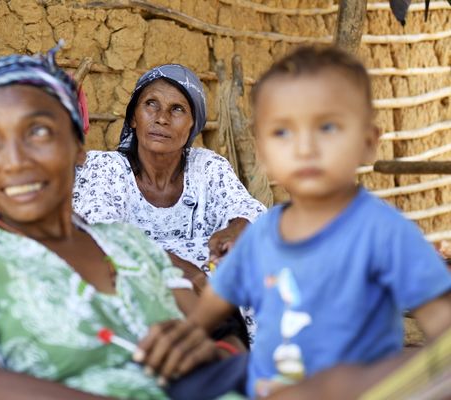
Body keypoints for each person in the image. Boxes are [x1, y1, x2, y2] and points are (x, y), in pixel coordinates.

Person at [0, 48, 241, 399]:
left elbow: (218, 336)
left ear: (78, 149)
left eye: (38, 132)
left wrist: (217, 356)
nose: (15, 160)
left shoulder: (129, 244)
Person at [135, 46, 451, 399]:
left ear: (367, 143)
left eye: (327, 127)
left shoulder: (383, 235)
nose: (304, 147)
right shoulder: (263, 235)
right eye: (283, 131)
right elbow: (209, 311)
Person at [73, 64, 266, 343]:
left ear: (192, 126)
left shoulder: (207, 167)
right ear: (134, 119)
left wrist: (237, 228)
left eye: (177, 109)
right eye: (151, 104)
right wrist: (182, 272)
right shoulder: (105, 168)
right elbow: (104, 235)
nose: (162, 118)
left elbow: (247, 210)